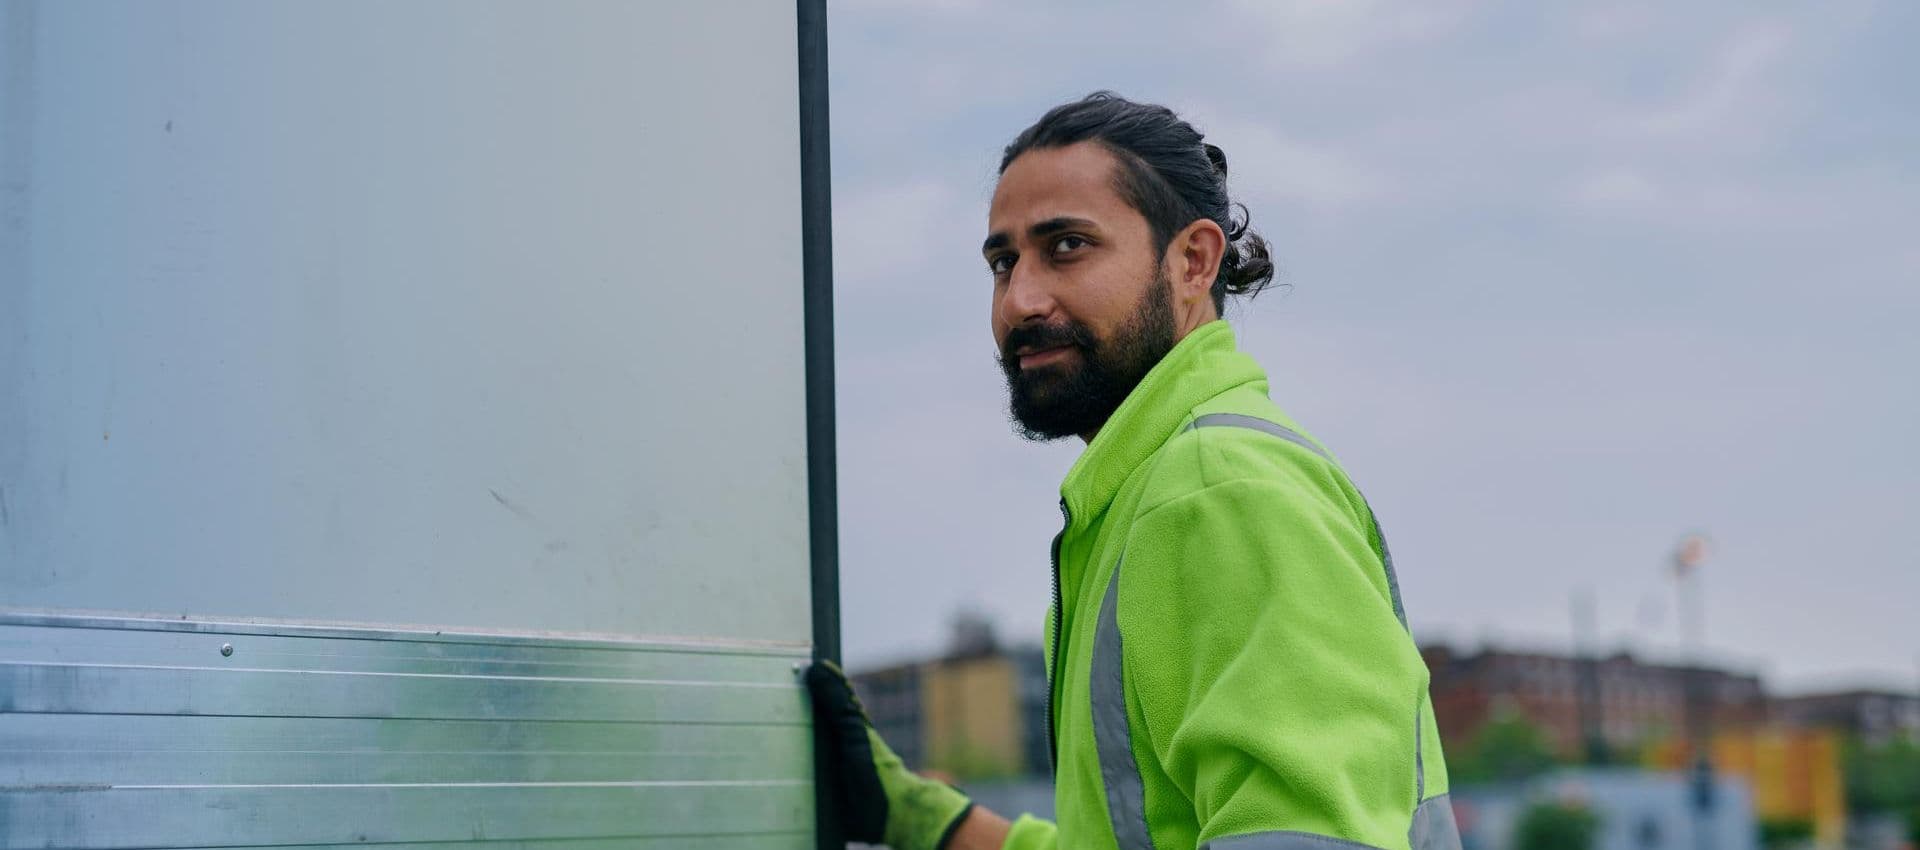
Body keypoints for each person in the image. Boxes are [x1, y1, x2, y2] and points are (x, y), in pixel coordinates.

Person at [809, 92, 1461, 850]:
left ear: (1193, 261)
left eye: (1067, 247)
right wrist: (931, 822)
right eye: (1002, 261)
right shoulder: (1136, 498)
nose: (1019, 299)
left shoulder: (1219, 489)